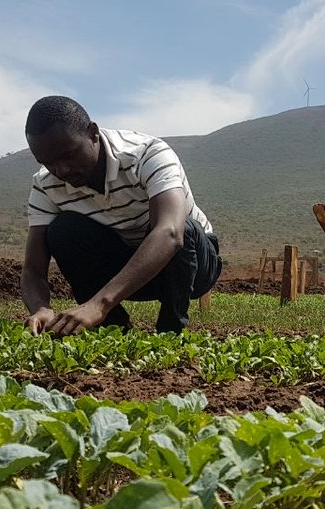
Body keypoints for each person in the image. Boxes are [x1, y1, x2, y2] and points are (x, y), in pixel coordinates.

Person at [21, 95, 221, 336]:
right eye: (48, 162)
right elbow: (33, 268)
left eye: (69, 155)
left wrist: (98, 304)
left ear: (92, 133)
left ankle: (170, 332)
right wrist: (40, 308)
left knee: (183, 228)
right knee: (63, 230)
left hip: (192, 267)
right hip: (126, 270)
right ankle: (113, 330)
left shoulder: (147, 154)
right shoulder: (46, 184)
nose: (61, 170)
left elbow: (171, 233)